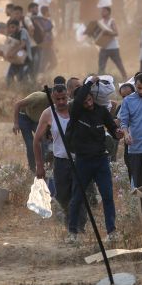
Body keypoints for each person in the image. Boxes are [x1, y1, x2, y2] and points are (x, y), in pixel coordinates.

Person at [65, 76, 123, 243]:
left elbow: (112, 128)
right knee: (77, 196)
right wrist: (89, 82)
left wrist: (117, 133)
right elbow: (79, 101)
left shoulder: (101, 111)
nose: (89, 104)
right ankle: (72, 232)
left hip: (101, 161)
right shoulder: (76, 112)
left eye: (90, 100)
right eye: (85, 102)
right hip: (83, 161)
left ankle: (111, 232)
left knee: (107, 196)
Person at [33, 84, 86, 233]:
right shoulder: (48, 114)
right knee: (62, 196)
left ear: (68, 96)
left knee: (78, 194)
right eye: (57, 99)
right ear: (52, 98)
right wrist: (39, 165)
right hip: (61, 161)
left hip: (79, 160)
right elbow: (36, 140)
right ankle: (69, 222)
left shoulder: (76, 109)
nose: (61, 102)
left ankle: (78, 228)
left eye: (64, 98)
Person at [13, 88, 51, 172]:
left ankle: (44, 167)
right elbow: (17, 104)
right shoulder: (38, 97)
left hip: (36, 119)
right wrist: (16, 123)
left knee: (45, 142)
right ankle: (32, 169)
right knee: (30, 144)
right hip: (24, 117)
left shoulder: (56, 102)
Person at [97, 7, 127, 79]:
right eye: (102, 11)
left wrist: (107, 32)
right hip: (103, 47)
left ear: (108, 12)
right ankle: (99, 80)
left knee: (119, 63)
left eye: (104, 11)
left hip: (113, 47)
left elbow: (116, 33)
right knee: (101, 66)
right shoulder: (100, 22)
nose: (102, 12)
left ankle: (125, 77)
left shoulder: (111, 21)